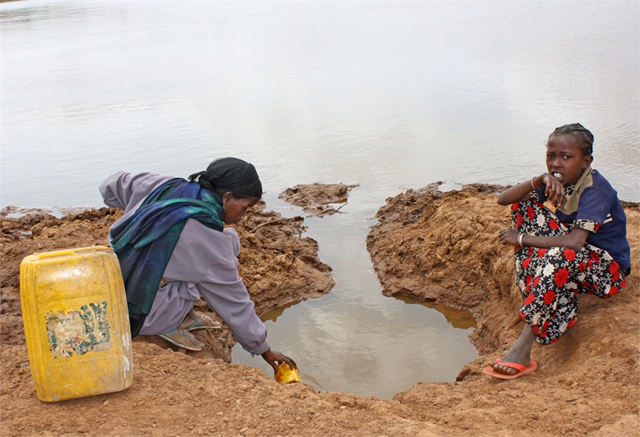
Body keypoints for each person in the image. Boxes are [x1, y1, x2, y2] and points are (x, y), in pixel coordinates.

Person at [99, 157, 297, 373]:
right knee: (210, 268)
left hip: (113, 283)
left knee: (230, 238)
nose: (244, 215)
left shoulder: (165, 185)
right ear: (228, 197)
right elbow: (234, 301)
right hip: (136, 312)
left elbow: (113, 184)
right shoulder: (206, 239)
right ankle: (169, 322)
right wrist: (263, 349)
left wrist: (136, 214)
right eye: (245, 207)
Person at [484, 123, 630, 380]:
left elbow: (574, 242)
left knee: (558, 254)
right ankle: (555, 297)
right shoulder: (556, 182)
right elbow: (503, 199)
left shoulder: (596, 189)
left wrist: (520, 238)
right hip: (577, 258)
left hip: (606, 270)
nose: (557, 164)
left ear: (586, 161)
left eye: (566, 157)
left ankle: (522, 349)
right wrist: (539, 179)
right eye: (551, 156)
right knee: (523, 203)